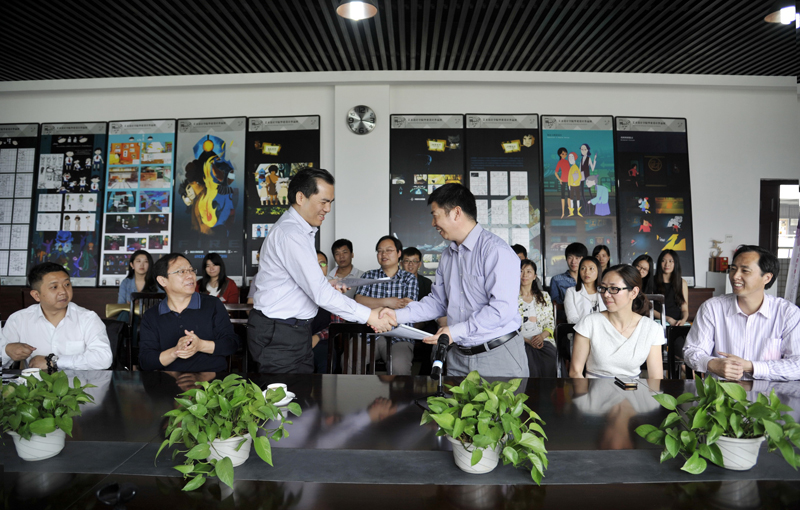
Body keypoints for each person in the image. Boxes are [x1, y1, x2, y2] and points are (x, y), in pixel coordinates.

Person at [249, 168, 394, 374]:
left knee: (301, 390)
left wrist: (326, 283)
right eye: (324, 202)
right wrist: (369, 315)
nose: (328, 209)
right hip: (279, 333)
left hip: (294, 331)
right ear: (301, 197)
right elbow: (319, 294)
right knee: (285, 392)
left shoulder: (301, 231)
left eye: (330, 203)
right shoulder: (291, 234)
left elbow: (297, 283)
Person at [379, 183, 528, 378]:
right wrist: (396, 316)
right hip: (458, 356)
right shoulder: (447, 256)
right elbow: (438, 302)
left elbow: (501, 310)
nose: (433, 223)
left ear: (456, 213)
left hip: (497, 355)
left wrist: (454, 331)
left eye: (435, 215)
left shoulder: (496, 251)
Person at [684, 245, 800, 381]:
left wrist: (751, 366)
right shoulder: (712, 308)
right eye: (733, 269)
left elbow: (797, 365)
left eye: (745, 271)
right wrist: (712, 364)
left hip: (770, 393)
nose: (735, 276)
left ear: (767, 278)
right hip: (722, 392)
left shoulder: (788, 313)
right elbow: (692, 351)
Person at [139, 253, 239, 372]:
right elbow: (146, 361)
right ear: (163, 280)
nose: (190, 275)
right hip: (168, 380)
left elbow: (231, 344)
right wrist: (175, 351)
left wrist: (200, 345)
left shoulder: (213, 305)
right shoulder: (152, 316)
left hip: (212, 379)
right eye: (181, 272)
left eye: (191, 270)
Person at [1, 262, 112, 371]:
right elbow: (3, 361)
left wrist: (53, 361)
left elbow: (103, 359)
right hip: (35, 383)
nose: (63, 291)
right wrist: (6, 351)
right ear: (36, 295)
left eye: (67, 285)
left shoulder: (88, 318)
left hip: (78, 382)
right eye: (54, 287)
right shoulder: (18, 320)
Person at [569, 265, 664, 379]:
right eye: (603, 288)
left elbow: (656, 378)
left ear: (633, 292)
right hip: (595, 388)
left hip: (633, 389)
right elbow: (575, 372)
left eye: (614, 289)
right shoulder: (590, 323)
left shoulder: (652, 329)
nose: (606, 294)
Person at [355, 236, 419, 375]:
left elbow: (408, 307)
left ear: (399, 253)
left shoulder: (409, 278)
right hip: (369, 334)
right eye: (380, 251)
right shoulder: (368, 276)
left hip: (400, 336)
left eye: (389, 250)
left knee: (399, 368)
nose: (383, 254)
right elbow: (359, 301)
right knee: (349, 363)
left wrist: (372, 304)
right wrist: (388, 302)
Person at [518, 260, 556, 377]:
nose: (524, 275)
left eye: (528, 271)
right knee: (529, 362)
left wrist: (541, 337)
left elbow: (550, 322)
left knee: (550, 359)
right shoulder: (511, 298)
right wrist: (528, 341)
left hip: (542, 340)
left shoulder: (544, 296)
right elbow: (508, 327)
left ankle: (549, 388)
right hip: (520, 341)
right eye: (521, 271)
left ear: (534, 276)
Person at [564, 256, 607, 324]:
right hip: (581, 329)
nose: (587, 272)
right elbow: (572, 319)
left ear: (598, 271)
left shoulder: (605, 291)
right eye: (583, 268)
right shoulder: (571, 292)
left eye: (591, 268)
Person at [653, 249, 689, 326]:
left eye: (670, 261)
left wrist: (683, 320)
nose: (667, 264)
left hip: (676, 323)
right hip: (657, 322)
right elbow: (649, 308)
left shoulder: (682, 283)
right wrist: (668, 319)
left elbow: (684, 309)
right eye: (663, 261)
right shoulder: (652, 281)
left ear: (676, 263)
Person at [553, 147, 570, 218]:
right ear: (560, 154)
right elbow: (555, 172)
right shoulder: (559, 162)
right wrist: (559, 179)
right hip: (563, 180)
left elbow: (569, 171)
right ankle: (563, 213)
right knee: (563, 197)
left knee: (569, 196)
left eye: (565, 153)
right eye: (563, 154)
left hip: (569, 181)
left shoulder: (567, 162)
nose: (564, 155)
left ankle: (570, 212)